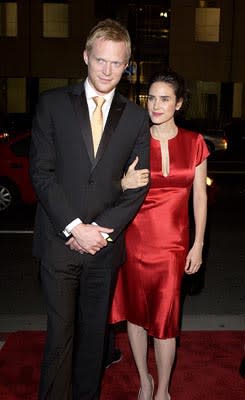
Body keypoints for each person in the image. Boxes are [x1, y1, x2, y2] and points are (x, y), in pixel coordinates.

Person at [29, 19, 150, 400]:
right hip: (59, 242)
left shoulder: (135, 117)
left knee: (94, 340)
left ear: (127, 65)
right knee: (60, 337)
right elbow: (41, 173)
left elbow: (138, 185)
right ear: (86, 56)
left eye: (117, 63)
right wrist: (74, 227)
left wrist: (100, 230)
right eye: (100, 60)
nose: (107, 70)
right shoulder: (52, 104)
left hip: (105, 246)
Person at [110, 70, 209, 400]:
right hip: (135, 240)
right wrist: (122, 184)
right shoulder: (133, 140)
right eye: (151, 98)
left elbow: (199, 197)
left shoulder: (195, 143)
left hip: (174, 246)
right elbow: (107, 188)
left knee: (166, 321)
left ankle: (163, 389)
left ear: (179, 103)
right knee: (136, 316)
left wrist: (198, 244)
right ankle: (144, 379)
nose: (155, 105)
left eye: (164, 98)